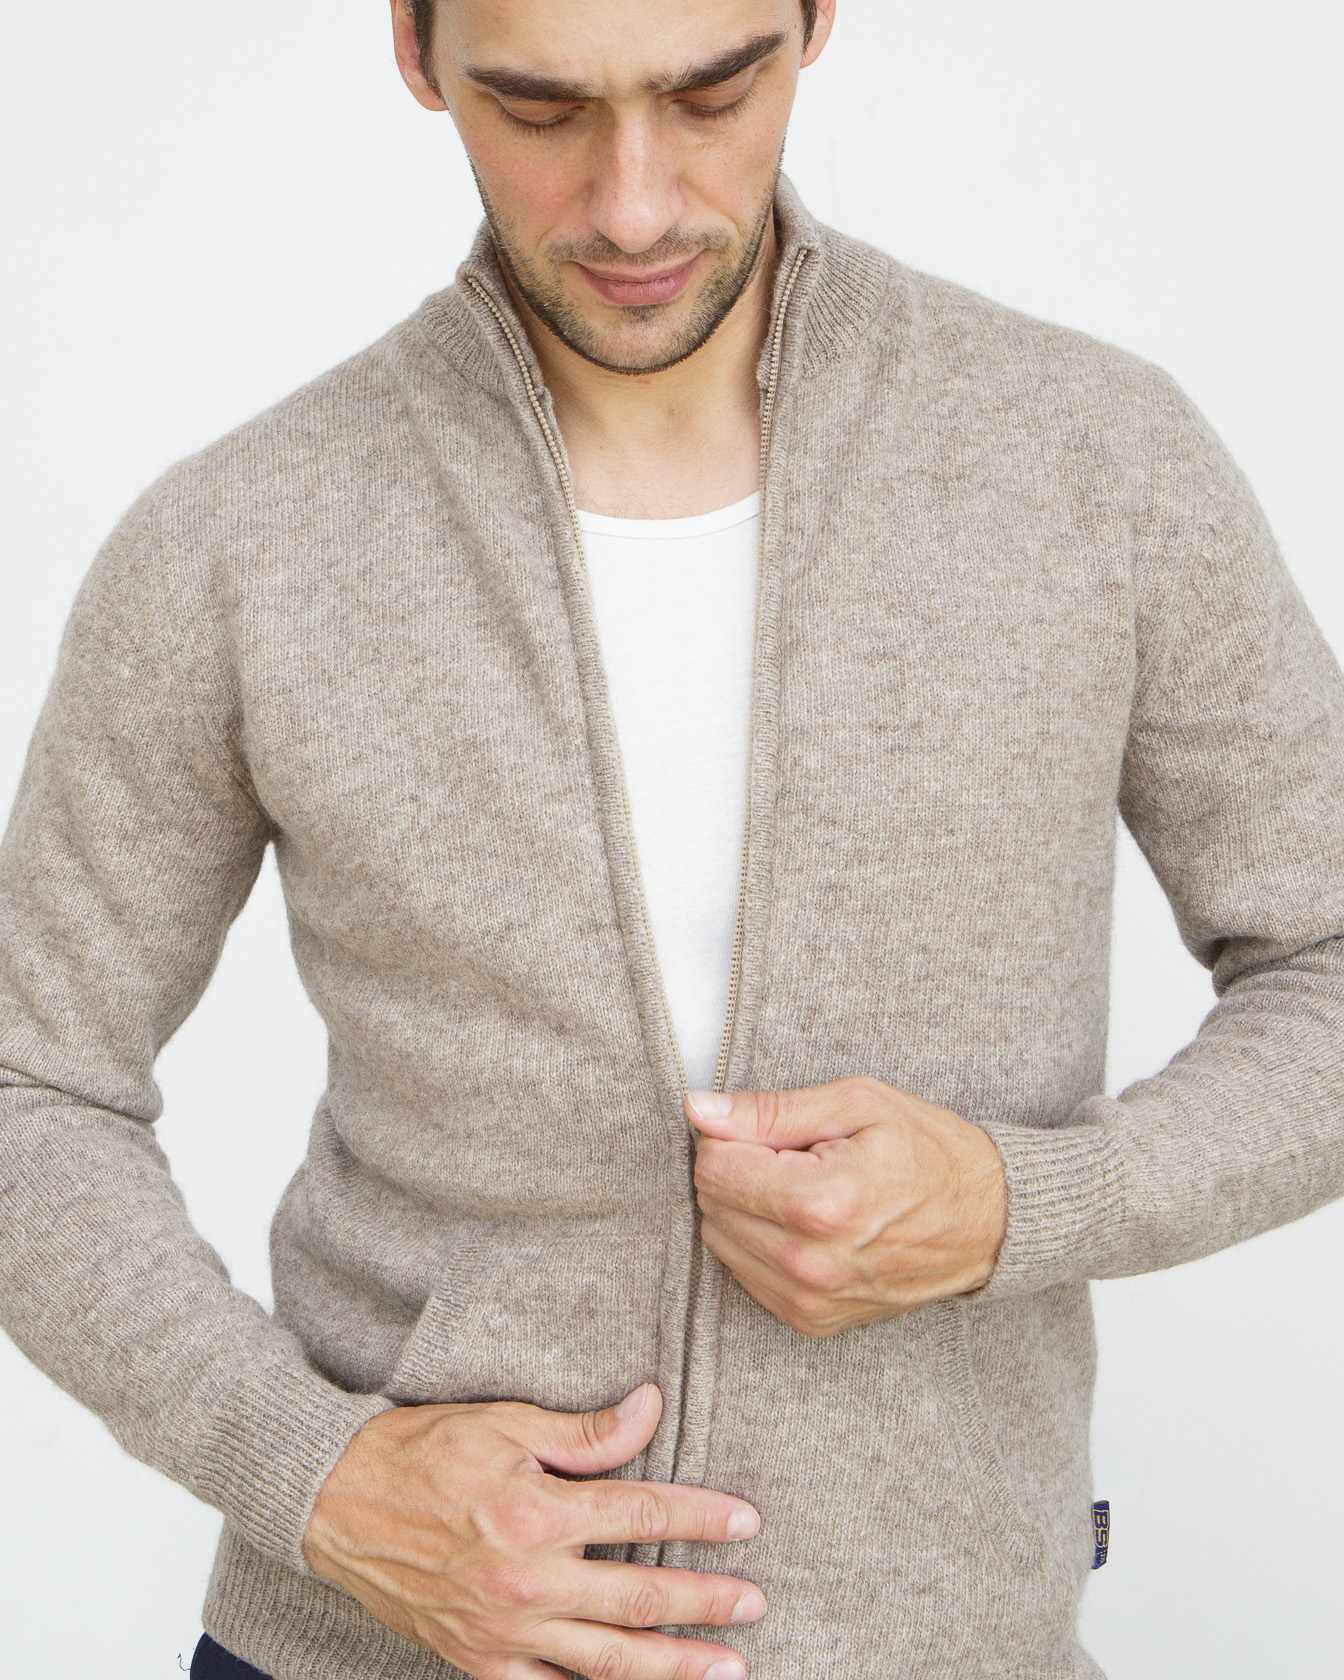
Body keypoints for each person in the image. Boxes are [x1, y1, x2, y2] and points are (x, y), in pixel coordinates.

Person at [1, 0, 1342, 1675]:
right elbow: (30, 1084)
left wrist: (1024, 1201)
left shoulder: (1096, 463)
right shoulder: (235, 543)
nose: (634, 206)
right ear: (415, 50)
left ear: (815, 20)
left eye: (712, 95)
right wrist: (315, 1477)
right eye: (540, 110)